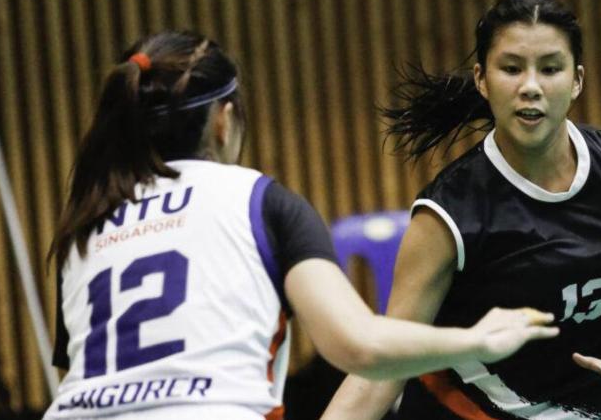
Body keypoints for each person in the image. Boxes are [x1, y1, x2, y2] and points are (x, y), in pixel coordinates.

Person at [42, 31, 561, 420]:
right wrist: (476, 339)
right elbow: (359, 345)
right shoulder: (257, 201)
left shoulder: (86, 226)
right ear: (224, 120)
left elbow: (77, 376)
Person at [323, 0, 601, 420]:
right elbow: (384, 369)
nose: (530, 87)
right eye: (512, 69)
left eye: (550, 69)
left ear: (577, 80)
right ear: (482, 79)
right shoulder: (449, 216)